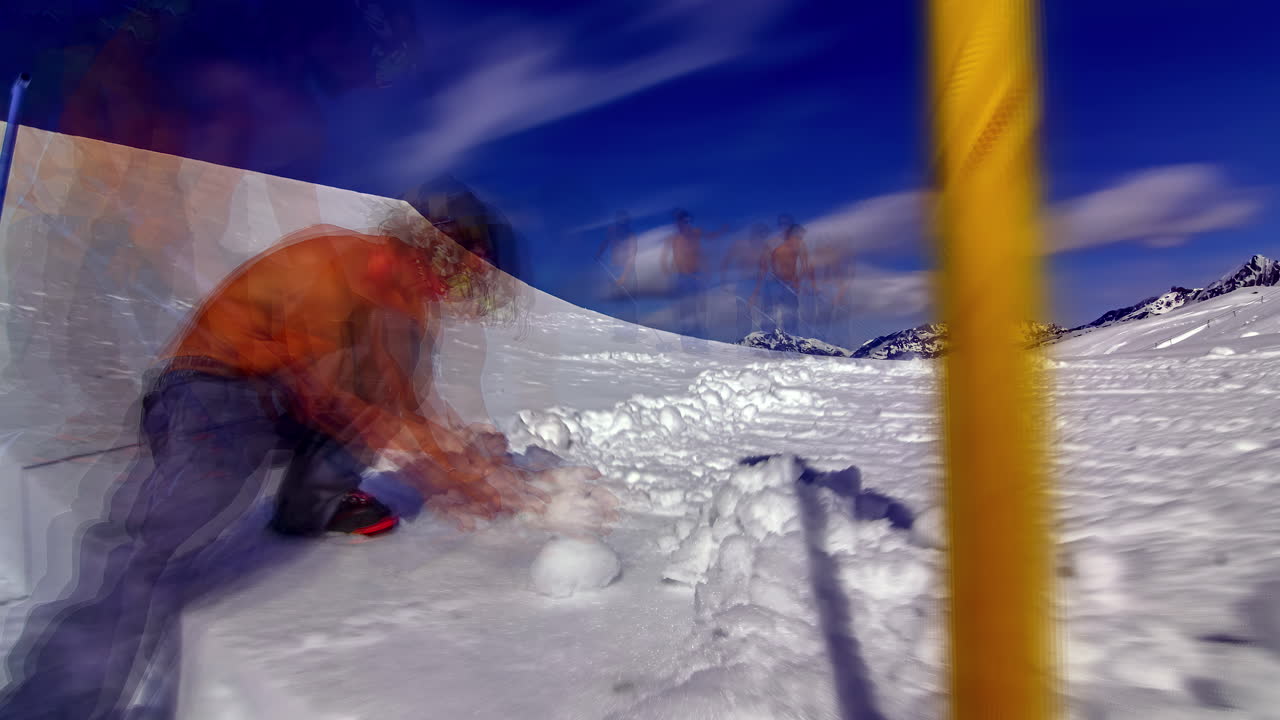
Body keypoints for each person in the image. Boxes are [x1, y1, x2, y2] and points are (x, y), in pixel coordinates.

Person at [0, 191, 597, 719]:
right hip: (213, 387)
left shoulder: (409, 317)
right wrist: (438, 462)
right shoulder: (340, 260)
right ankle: (54, 702)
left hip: (290, 403)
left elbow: (404, 406)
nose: (454, 289)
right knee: (161, 528)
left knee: (362, 422)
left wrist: (468, 470)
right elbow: (330, 381)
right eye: (456, 268)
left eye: (468, 281)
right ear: (427, 246)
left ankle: (308, 508)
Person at [661, 208, 724, 351]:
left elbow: (709, 238)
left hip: (697, 276)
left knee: (700, 310)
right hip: (682, 278)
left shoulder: (696, 233)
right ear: (678, 223)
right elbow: (665, 257)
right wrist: (666, 269)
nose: (686, 224)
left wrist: (722, 231)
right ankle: (687, 344)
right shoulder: (674, 239)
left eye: (689, 221)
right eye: (683, 221)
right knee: (685, 311)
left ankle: (701, 343)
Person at [751, 223, 815, 335]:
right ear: (790, 235)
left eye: (800, 237)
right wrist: (757, 290)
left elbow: (806, 265)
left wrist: (799, 280)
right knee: (770, 313)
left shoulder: (800, 245)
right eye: (797, 236)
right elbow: (763, 267)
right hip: (774, 283)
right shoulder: (774, 246)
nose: (799, 239)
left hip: (790, 283)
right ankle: (769, 339)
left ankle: (791, 339)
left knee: (791, 314)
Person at [596, 210, 640, 340]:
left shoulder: (631, 236)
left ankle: (631, 335)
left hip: (627, 272)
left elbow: (632, 257)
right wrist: (599, 253)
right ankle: (619, 333)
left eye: (623, 222)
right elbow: (605, 242)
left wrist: (624, 277)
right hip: (614, 270)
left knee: (629, 302)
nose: (621, 225)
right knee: (618, 303)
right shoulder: (613, 232)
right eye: (619, 222)